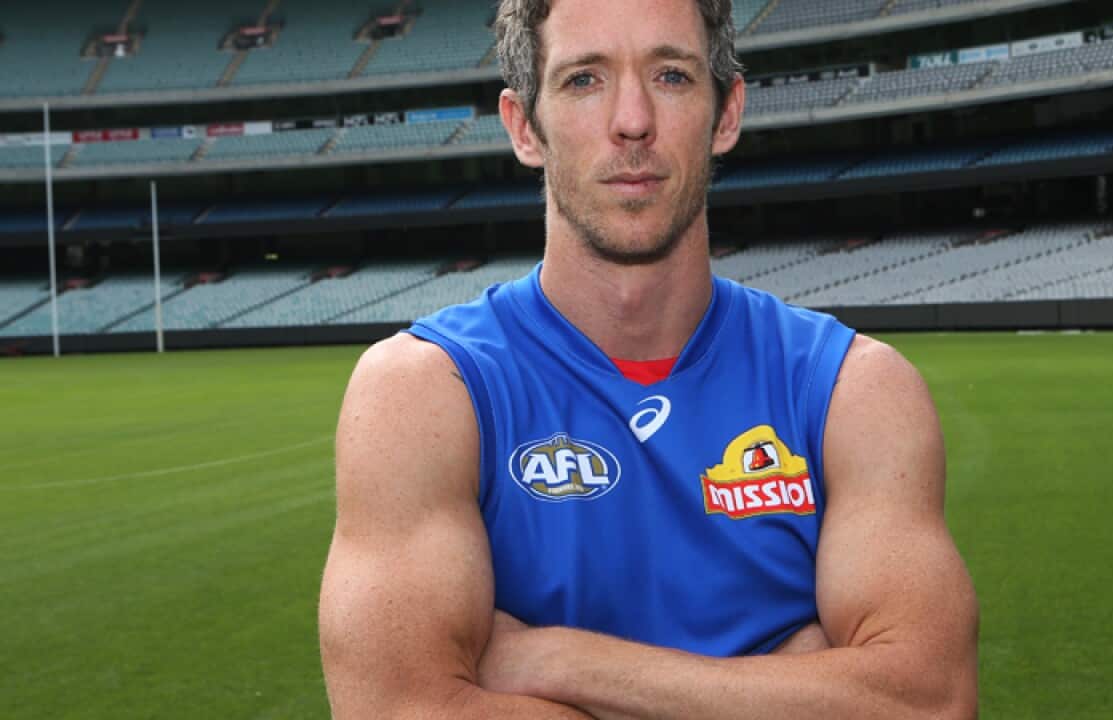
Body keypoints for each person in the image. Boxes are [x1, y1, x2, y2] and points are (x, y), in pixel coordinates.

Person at [318, 0, 979, 717]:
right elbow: (402, 709)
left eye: (670, 75)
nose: (632, 120)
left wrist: (560, 661)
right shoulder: (424, 393)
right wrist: (799, 682)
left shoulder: (853, 390)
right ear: (523, 127)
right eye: (583, 81)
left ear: (726, 114)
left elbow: (929, 702)